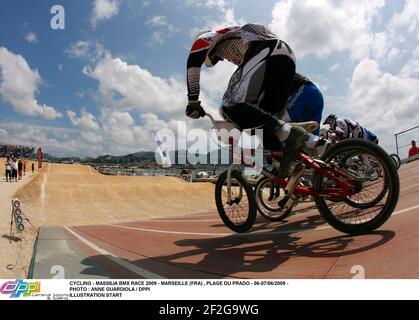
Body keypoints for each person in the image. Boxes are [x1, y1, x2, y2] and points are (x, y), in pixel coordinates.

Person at [185, 24, 310, 177]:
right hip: (287, 57)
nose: (221, 59)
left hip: (267, 49)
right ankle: (294, 155)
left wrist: (193, 100)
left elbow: (193, 63)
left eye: (215, 58)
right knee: (262, 118)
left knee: (229, 106)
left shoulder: (207, 37)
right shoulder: (237, 43)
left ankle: (290, 132)